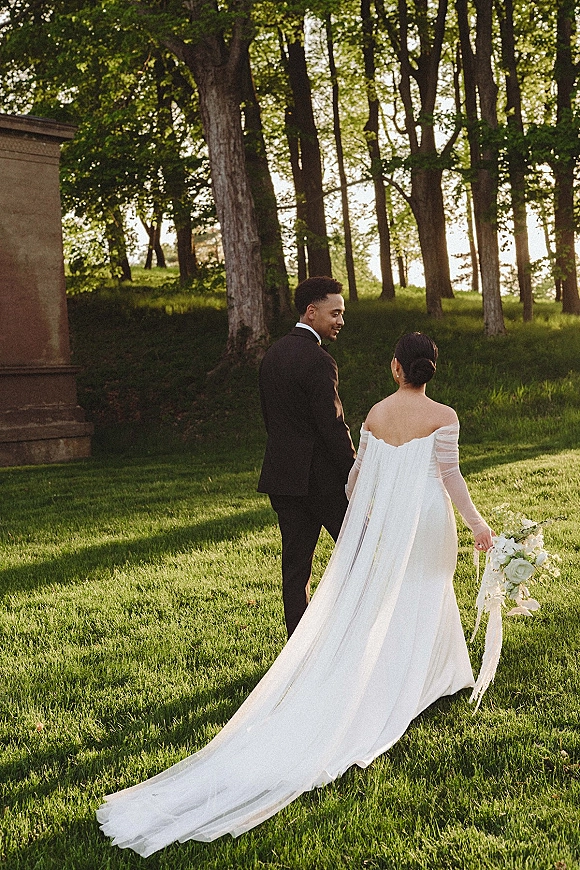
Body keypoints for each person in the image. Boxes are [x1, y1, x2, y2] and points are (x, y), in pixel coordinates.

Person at [97, 332, 492, 857]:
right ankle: (431, 674)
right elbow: (451, 478)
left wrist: (372, 506)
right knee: (427, 590)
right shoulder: (445, 417)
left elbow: (354, 482)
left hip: (393, 520)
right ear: (430, 370)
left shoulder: (374, 415)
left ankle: (427, 672)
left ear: (396, 367)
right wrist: (477, 524)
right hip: (426, 517)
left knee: (396, 596)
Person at [257, 275, 356, 637]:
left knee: (295, 570)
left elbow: (271, 419)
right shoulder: (319, 360)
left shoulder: (272, 355)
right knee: (360, 556)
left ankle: (298, 646)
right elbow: (332, 426)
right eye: (336, 313)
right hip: (325, 483)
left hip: (284, 480)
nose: (341, 321)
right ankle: (357, 632)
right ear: (312, 312)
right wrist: (354, 472)